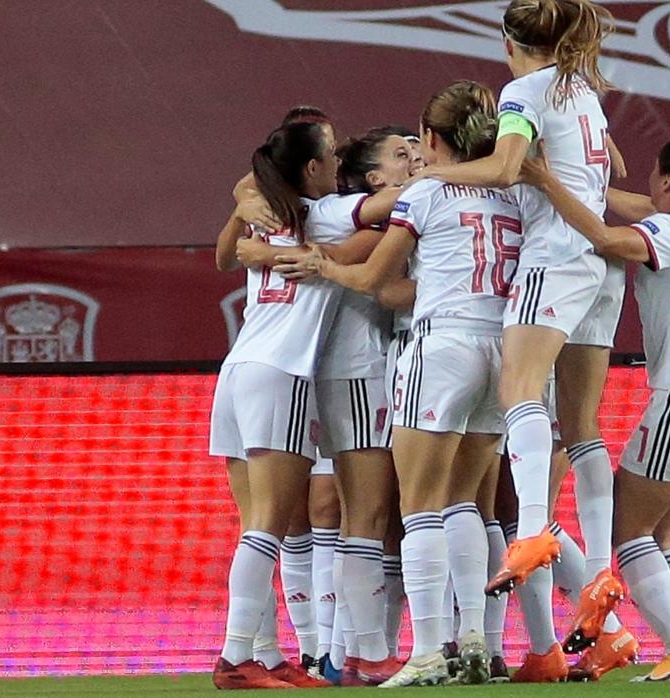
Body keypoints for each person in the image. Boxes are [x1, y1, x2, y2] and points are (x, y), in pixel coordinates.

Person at [277, 80, 521, 687]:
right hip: (504, 348)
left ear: (434, 138)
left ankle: (428, 650)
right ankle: (478, 644)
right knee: (468, 503)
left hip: (441, 345)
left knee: (420, 509)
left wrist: (323, 265)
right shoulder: (512, 195)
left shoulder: (428, 193)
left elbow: (374, 278)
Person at [413, 0, 631, 680]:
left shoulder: (524, 89)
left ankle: (534, 529)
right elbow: (612, 165)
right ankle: (598, 572)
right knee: (583, 424)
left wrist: (431, 172)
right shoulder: (582, 88)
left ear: (510, 42)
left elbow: (506, 168)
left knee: (518, 391)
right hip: (598, 264)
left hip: (555, 252)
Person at [520, 136, 670, 682]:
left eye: (654, 174)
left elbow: (602, 236)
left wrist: (545, 179)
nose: (648, 183)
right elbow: (636, 208)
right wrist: (590, 181)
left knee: (628, 529)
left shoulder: (667, 234)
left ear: (668, 180)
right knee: (664, 531)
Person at [209, 121, 349, 690]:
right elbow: (387, 204)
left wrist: (245, 200)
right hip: (283, 372)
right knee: (269, 527)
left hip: (238, 369)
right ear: (311, 169)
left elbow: (227, 251)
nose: (339, 166)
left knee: (254, 528)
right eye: (332, 157)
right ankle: (234, 655)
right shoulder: (328, 214)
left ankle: (263, 655)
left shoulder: (265, 210)